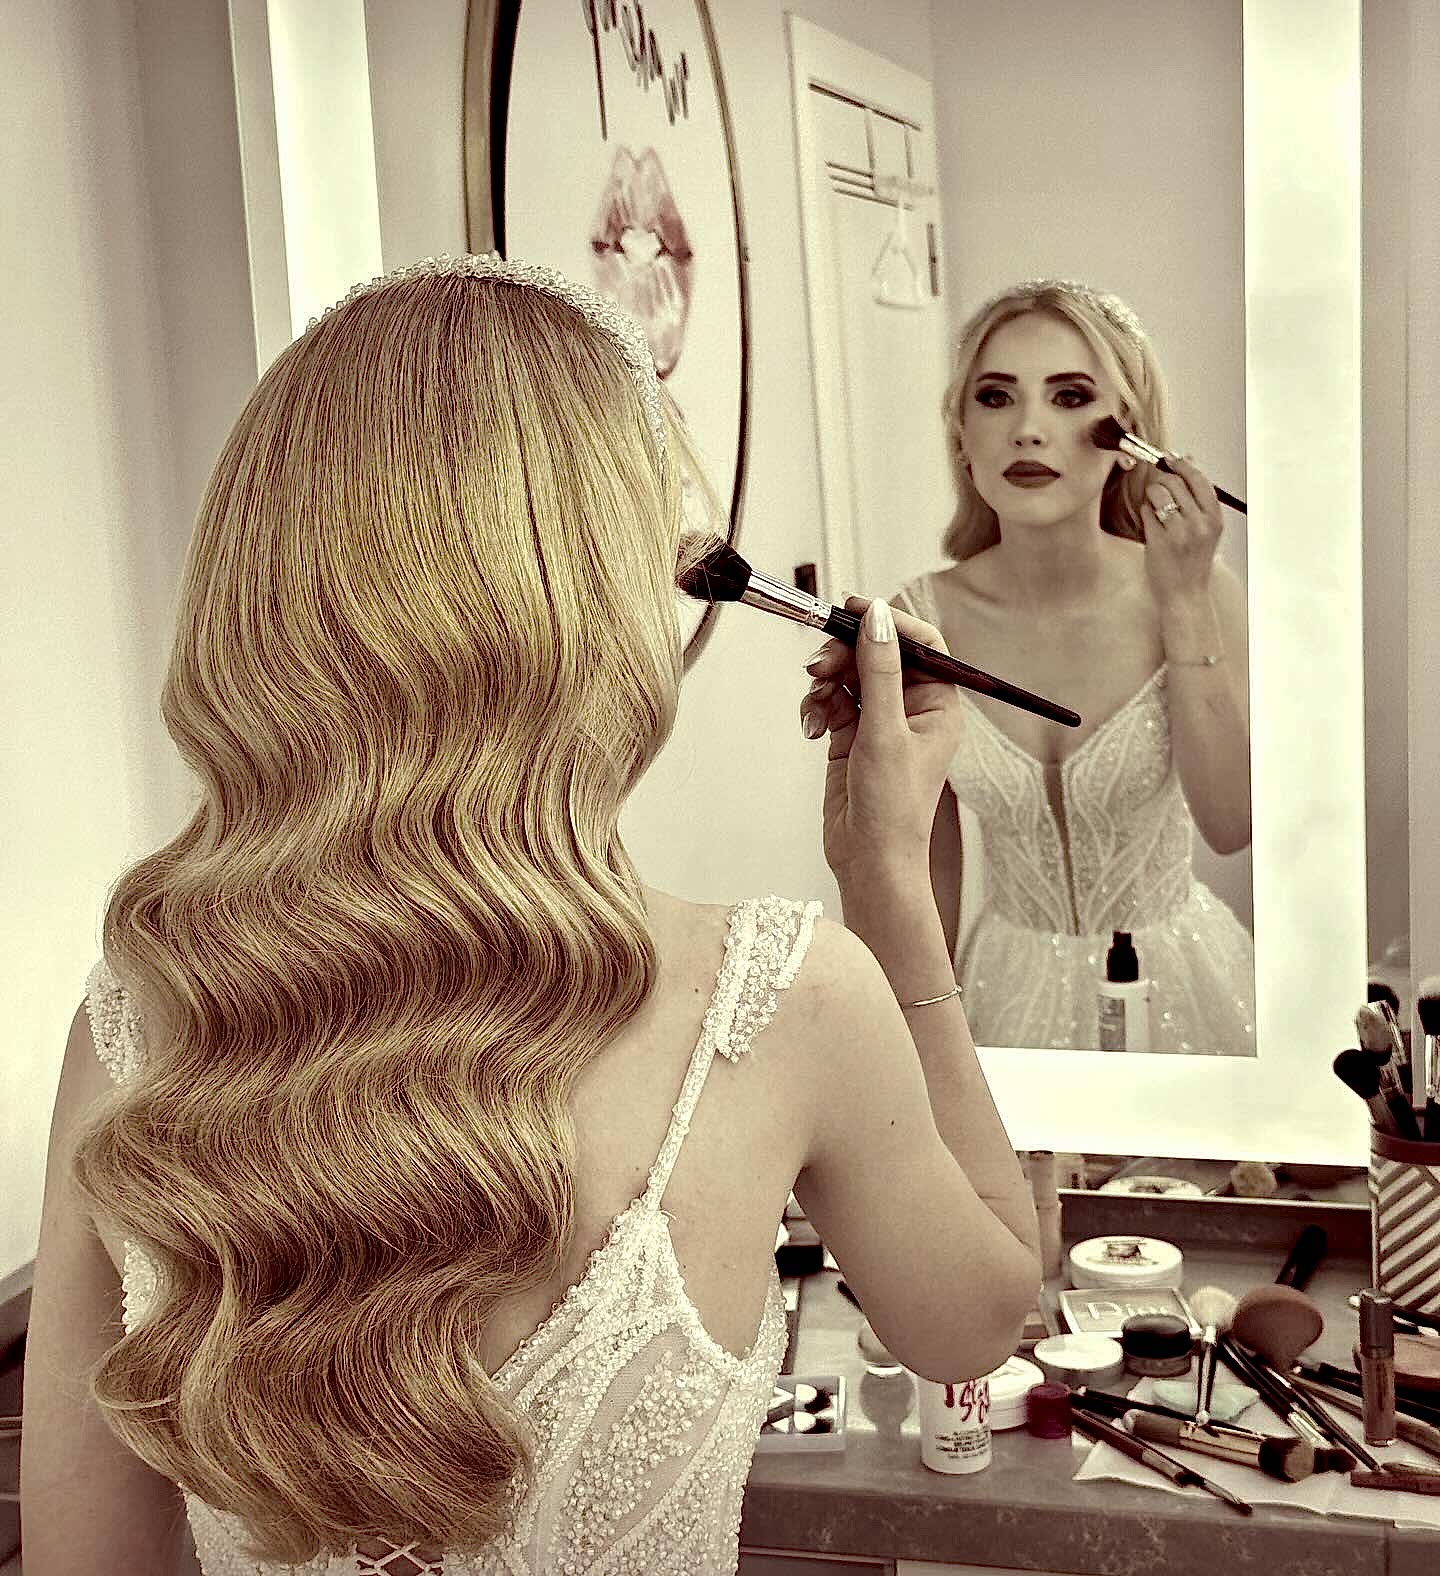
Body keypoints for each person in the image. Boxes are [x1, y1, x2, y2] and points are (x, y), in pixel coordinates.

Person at [23, 255, 1040, 1576]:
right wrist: (891, 878)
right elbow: (975, 1321)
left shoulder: (138, 1024)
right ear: (597, 606)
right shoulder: (781, 1001)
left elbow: (84, 1560)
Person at [857, 278, 1255, 1056]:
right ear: (962, 431)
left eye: (1070, 397)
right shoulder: (918, 619)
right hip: (1005, 995)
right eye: (996, 398)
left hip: (1184, 988)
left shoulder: (1201, 589)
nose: (1029, 430)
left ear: (1128, 434)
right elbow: (926, 861)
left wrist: (1181, 600)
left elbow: (1229, 822)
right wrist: (919, 1038)